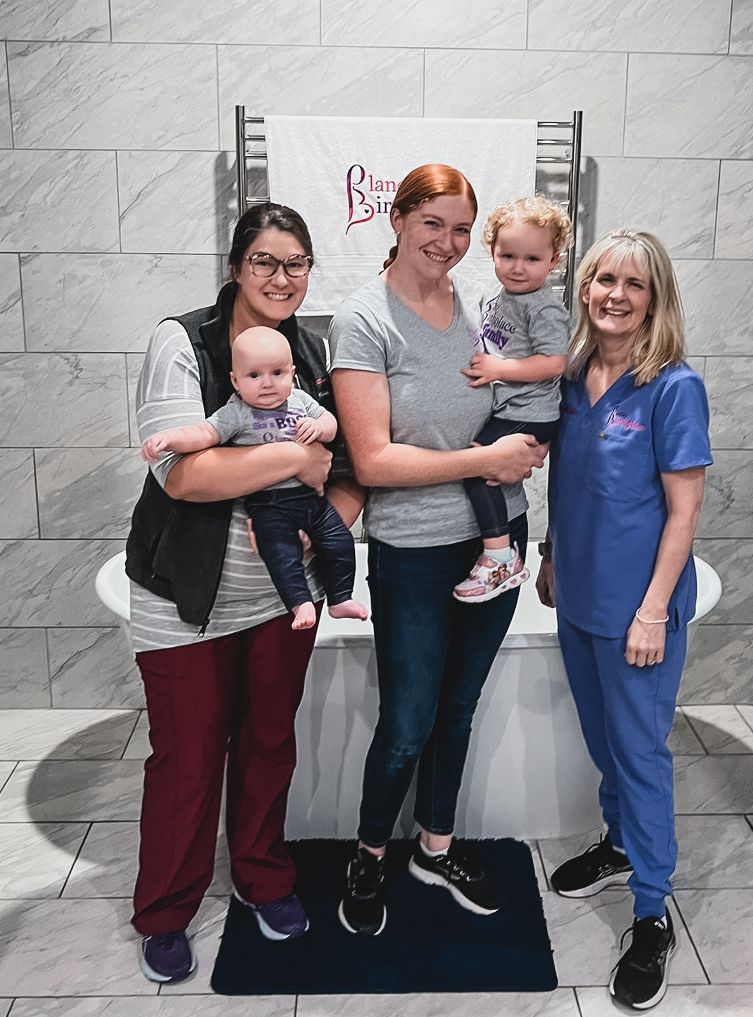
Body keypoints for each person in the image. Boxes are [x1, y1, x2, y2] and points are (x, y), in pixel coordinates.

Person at [126, 202, 362, 983]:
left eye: (296, 263)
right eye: (265, 260)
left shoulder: (310, 351)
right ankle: (167, 910)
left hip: (278, 596)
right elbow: (184, 475)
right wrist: (292, 462)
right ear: (236, 267)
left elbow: (347, 468)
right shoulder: (185, 342)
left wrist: (320, 524)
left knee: (268, 742)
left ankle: (261, 875)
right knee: (188, 759)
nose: (281, 277)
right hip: (185, 594)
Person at [329, 163, 546, 936]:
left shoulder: (481, 306)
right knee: (407, 723)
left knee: (459, 708)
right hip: (415, 551)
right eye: (433, 224)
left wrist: (531, 438)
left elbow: (512, 395)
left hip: (500, 538)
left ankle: (436, 846)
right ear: (397, 219)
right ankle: (368, 854)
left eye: (461, 229)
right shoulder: (364, 320)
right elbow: (373, 460)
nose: (448, 243)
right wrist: (486, 459)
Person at [535, 229, 712, 1010]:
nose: (616, 293)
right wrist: (549, 553)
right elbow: (566, 481)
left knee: (639, 754)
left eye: (634, 284)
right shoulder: (573, 376)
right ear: (584, 288)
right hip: (577, 598)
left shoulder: (673, 387)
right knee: (604, 741)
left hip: (638, 612)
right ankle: (617, 843)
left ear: (654, 298)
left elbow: (685, 512)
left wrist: (652, 611)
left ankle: (651, 912)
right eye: (604, 278)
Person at [140, 325, 366, 631]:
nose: (267, 383)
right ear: (236, 381)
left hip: (311, 500)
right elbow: (203, 434)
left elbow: (330, 422)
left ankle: (340, 598)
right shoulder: (237, 412)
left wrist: (321, 428)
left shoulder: (300, 400)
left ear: (292, 374)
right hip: (270, 505)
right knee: (281, 552)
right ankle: (298, 603)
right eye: (254, 375)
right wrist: (168, 439)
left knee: (339, 540)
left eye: (277, 373)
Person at [455, 196, 571, 603]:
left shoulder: (543, 308)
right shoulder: (499, 294)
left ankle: (500, 557)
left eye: (532, 259)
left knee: (476, 465)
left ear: (553, 261)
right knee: (478, 466)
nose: (518, 268)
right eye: (507, 256)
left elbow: (555, 362)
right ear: (492, 252)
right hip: (514, 409)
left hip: (532, 412)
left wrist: (499, 369)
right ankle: (499, 553)